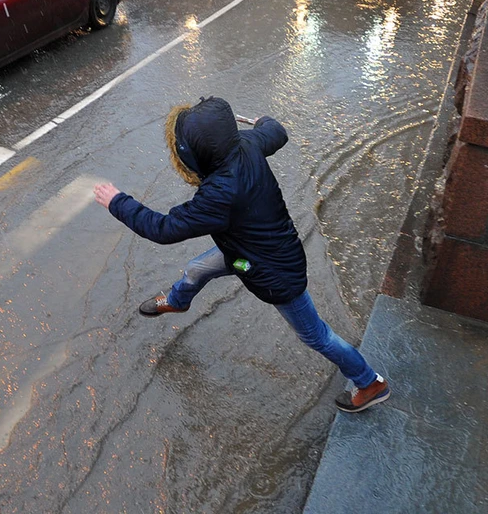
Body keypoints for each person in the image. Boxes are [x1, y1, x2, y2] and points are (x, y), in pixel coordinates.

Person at [92, 96, 390, 413]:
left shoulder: (218, 194)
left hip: (275, 272)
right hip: (243, 253)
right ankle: (178, 302)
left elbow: (163, 229)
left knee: (317, 336)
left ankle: (369, 382)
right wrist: (262, 121)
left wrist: (118, 202)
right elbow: (277, 133)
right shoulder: (245, 144)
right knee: (197, 268)